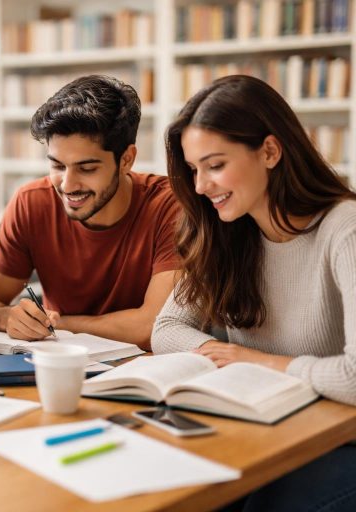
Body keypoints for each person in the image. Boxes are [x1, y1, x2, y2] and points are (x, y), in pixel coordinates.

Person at [152, 74, 356, 511]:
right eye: (193, 170)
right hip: (266, 429)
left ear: (269, 151)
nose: (202, 186)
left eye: (215, 165)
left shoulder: (345, 230)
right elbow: (167, 327)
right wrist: (216, 351)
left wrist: (261, 363)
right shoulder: (227, 233)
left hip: (340, 441)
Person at [0, 75, 180, 349]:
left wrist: (60, 325)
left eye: (87, 168)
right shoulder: (32, 202)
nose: (67, 185)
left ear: (126, 159)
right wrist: (7, 318)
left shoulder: (170, 206)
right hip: (58, 366)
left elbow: (153, 326)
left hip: (145, 372)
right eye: (57, 166)